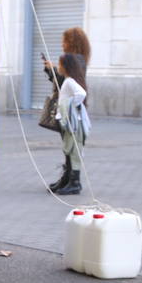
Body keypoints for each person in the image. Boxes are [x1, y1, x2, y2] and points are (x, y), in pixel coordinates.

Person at [41, 26, 91, 191]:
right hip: (68, 112)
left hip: (71, 113)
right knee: (68, 145)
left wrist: (54, 69)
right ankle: (67, 178)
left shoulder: (75, 60)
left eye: (64, 41)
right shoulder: (79, 59)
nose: (62, 44)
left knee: (72, 145)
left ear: (71, 42)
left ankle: (74, 181)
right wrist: (52, 70)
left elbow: (67, 82)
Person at [52, 53, 90, 196]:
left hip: (72, 124)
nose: (58, 66)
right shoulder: (69, 80)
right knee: (69, 150)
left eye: (60, 64)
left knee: (73, 151)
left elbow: (81, 93)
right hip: (67, 122)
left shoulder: (69, 81)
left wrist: (70, 107)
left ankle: (75, 183)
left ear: (66, 66)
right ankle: (68, 180)